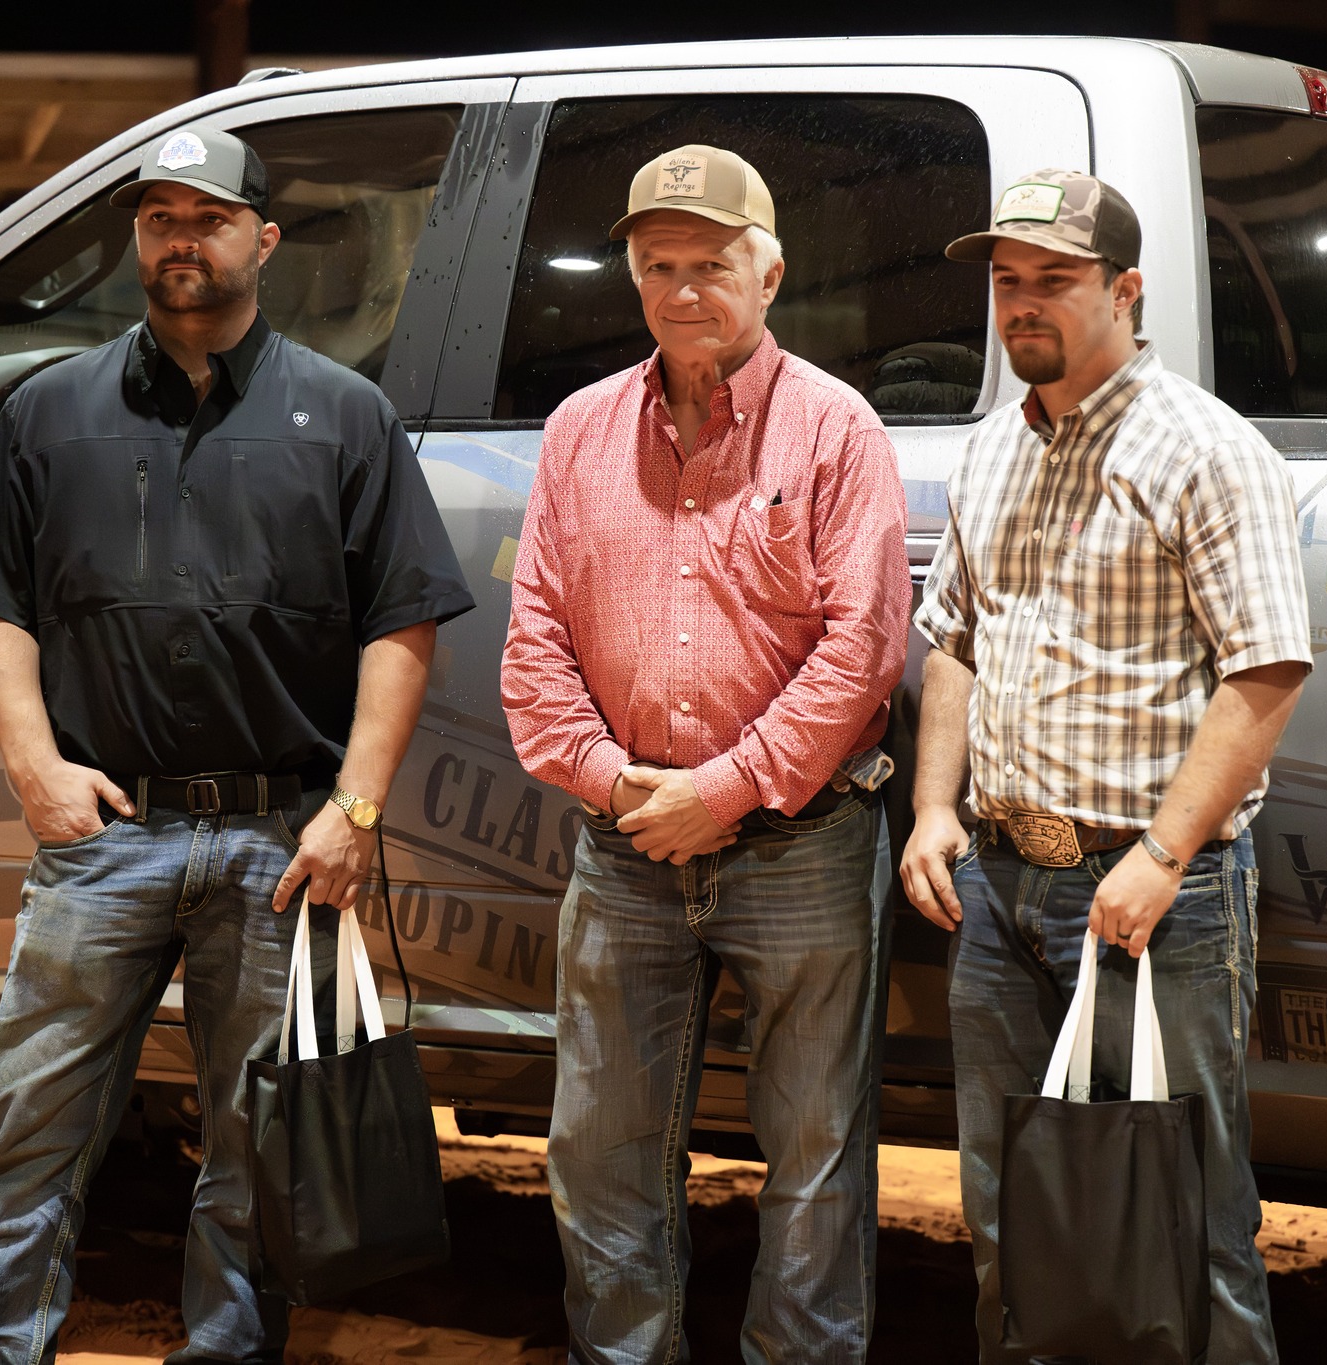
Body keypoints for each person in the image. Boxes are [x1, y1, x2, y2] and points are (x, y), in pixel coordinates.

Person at [0, 123, 474, 1365]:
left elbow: (401, 626)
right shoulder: (48, 412)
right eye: (160, 218)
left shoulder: (346, 416)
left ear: (262, 240)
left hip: (279, 839)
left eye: (209, 218)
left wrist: (356, 810)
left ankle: (227, 1350)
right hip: (104, 838)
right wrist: (33, 770)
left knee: (255, 1140)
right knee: (27, 1129)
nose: (183, 239)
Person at [501, 143, 910, 1364]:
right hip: (622, 844)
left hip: (801, 845)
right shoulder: (579, 432)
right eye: (657, 266)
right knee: (599, 1154)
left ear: (768, 275)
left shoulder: (834, 429)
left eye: (711, 266)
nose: (682, 291)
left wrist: (721, 791)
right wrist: (613, 781)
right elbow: (533, 642)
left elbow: (862, 649)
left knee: (814, 1159)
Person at [899, 170, 1311, 1364]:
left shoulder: (1203, 450)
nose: (1021, 304)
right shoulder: (991, 449)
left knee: (1188, 1209)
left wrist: (1163, 855)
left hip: (1149, 894)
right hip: (996, 884)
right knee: (1009, 1205)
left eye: (1053, 280)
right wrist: (931, 808)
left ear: (1124, 291)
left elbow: (1264, 671)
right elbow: (953, 639)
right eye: (1005, 281)